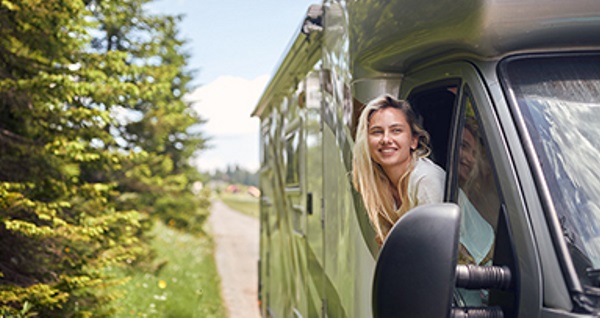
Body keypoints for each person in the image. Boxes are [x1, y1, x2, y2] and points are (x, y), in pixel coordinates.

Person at [352, 94, 445, 244]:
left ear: (414, 141)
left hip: (476, 263)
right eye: (377, 132)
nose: (386, 140)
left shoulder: (426, 179)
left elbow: (435, 245)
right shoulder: (379, 184)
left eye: (396, 130)